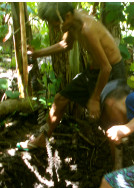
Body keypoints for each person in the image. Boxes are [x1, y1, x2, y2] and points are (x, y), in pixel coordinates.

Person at [19, 2, 127, 150]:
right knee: (60, 99)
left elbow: (106, 68)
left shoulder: (87, 29)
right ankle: (42, 139)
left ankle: (117, 166)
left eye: (55, 23)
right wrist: (37, 54)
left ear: (67, 16)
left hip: (112, 72)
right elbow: (65, 45)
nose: (54, 27)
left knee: (109, 120)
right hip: (94, 72)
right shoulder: (74, 23)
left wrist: (95, 98)